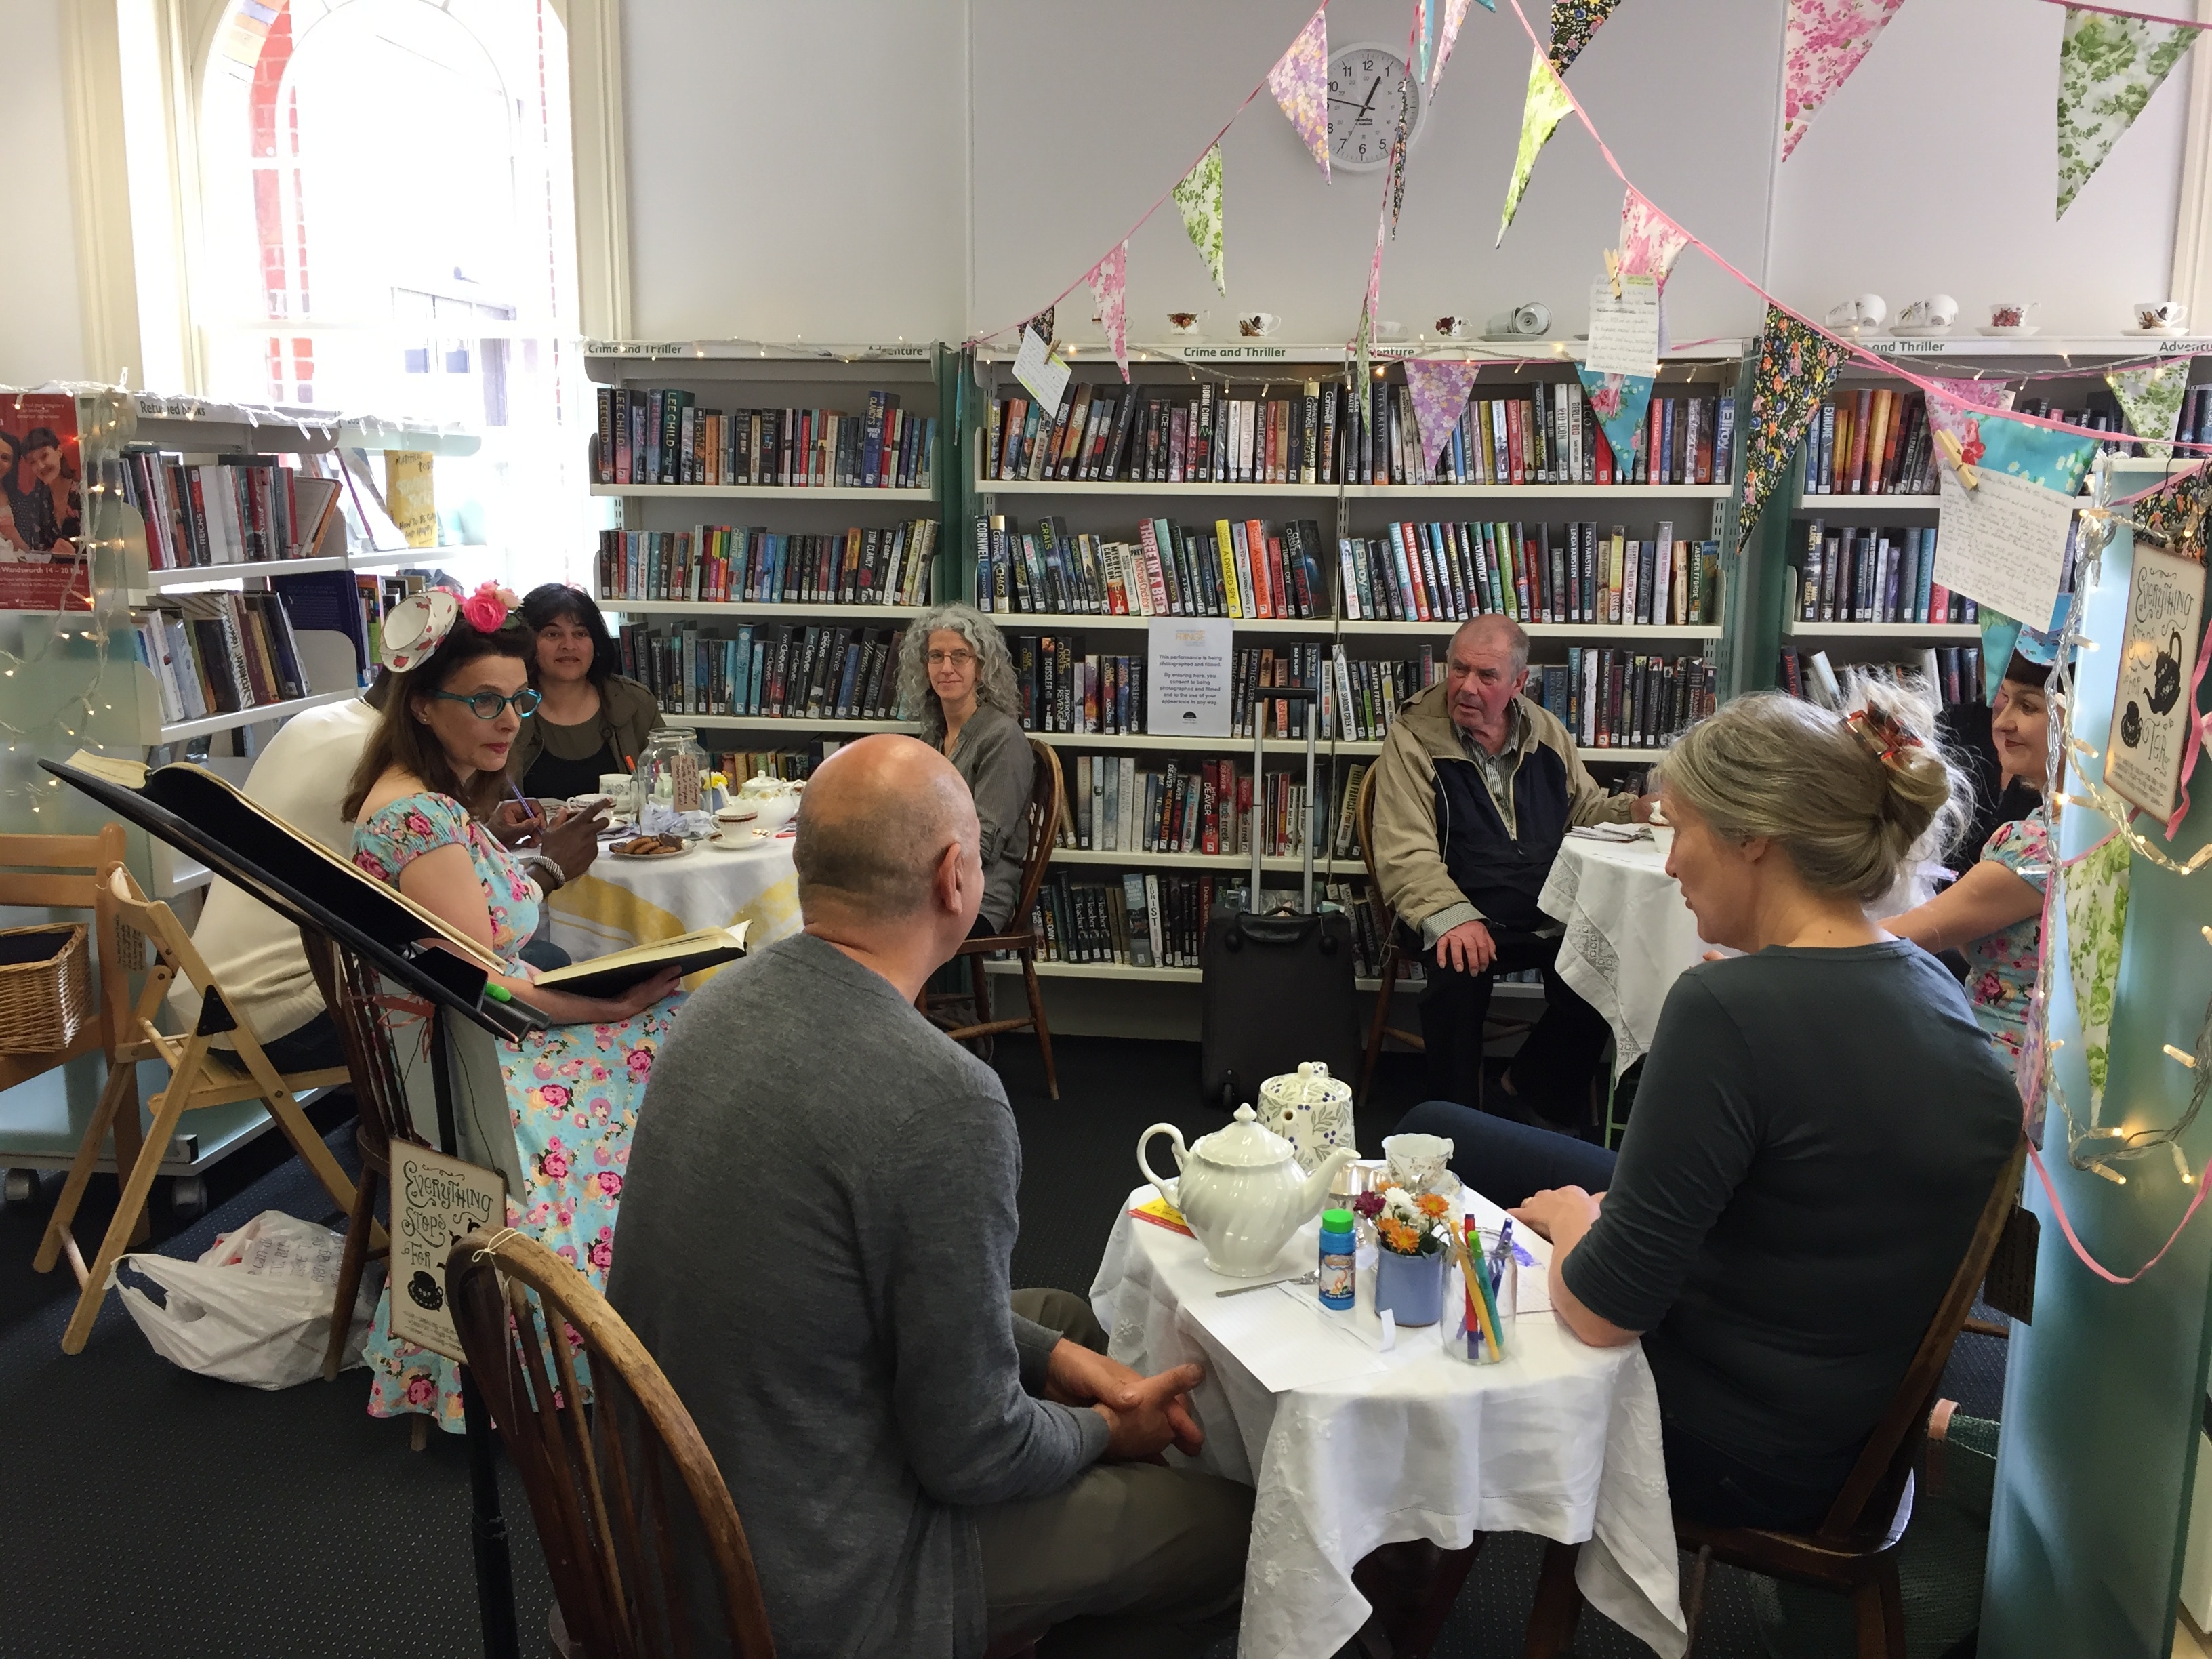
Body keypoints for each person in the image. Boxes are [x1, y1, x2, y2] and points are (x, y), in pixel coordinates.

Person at [608, 734, 1252, 1658]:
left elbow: (861, 1296)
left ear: (804, 862)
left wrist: (1063, 1371)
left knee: (1064, 1320)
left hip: (686, 1509)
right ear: (956, 876)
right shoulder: (941, 1099)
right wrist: (1106, 1431)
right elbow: (973, 1454)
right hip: (815, 1579)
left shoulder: (716, 1004)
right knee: (1224, 1531)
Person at [1389, 689, 2019, 1531]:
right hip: (1840, 1421)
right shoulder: (1928, 982)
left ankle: (1391, 1502)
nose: (1673, 861)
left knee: (1439, 1174)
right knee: (1440, 1129)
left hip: (1736, 1449)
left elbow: (1602, 1313)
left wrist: (1577, 1220)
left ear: (1754, 837)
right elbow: (1811, 1184)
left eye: (1681, 829)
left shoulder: (1726, 1006)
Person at [342, 583, 684, 1435]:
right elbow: (489, 989)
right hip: (475, 1068)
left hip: (465, 1047)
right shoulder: (421, 819)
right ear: (422, 705)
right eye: (486, 701)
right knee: (678, 1039)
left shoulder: (434, 802)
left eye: (519, 700)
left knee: (665, 1021)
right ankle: (630, 1323)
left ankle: (645, 1314)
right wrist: (608, 1007)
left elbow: (479, 964)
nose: (508, 720)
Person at [1368, 613, 1652, 1126]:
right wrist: (1451, 915)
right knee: (1458, 969)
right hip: (1460, 901)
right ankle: (1456, 1124)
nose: (1466, 686)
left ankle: (1528, 1095)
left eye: (1487, 676)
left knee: (1604, 962)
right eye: (1459, 669)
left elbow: (1583, 809)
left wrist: (1632, 810)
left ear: (1519, 683)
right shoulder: (1413, 738)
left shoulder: (1544, 730)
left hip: (1543, 905)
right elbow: (1404, 851)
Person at [1889, 654, 2055, 1060]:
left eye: (2029, 706)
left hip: (2006, 1072)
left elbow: (1892, 939)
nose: (2002, 722)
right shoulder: (2058, 824)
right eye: (2006, 700)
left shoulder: (2036, 846)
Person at [899, 603, 1036, 935]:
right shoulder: (934, 734)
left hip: (980, 898)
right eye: (936, 656)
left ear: (982, 666)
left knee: (864, 924)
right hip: (931, 887)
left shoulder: (1002, 737)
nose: (946, 668)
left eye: (960, 656)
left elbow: (982, 845)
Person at [507, 582, 662, 800]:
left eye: (580, 633)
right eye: (553, 634)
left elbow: (671, 788)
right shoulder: (507, 709)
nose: (569, 645)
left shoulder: (635, 703)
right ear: (528, 642)